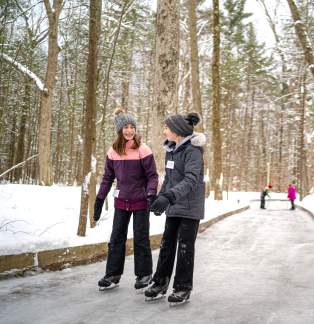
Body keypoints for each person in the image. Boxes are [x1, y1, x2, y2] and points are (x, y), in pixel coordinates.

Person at [94, 108, 158, 292]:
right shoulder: (113, 151)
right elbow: (107, 178)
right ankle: (113, 274)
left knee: (140, 238)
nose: (129, 130)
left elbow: (153, 176)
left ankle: (144, 273)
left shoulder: (143, 149)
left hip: (140, 200)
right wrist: (99, 200)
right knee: (116, 238)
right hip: (121, 201)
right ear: (119, 130)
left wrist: (151, 193)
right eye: (126, 127)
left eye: (132, 127)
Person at [144, 112, 206, 305]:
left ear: (177, 132)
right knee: (166, 244)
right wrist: (160, 198)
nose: (164, 131)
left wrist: (169, 197)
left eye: (167, 128)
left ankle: (182, 287)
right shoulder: (171, 150)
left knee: (185, 248)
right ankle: (160, 282)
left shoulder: (193, 151)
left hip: (189, 207)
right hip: (174, 204)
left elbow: (191, 180)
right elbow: (170, 180)